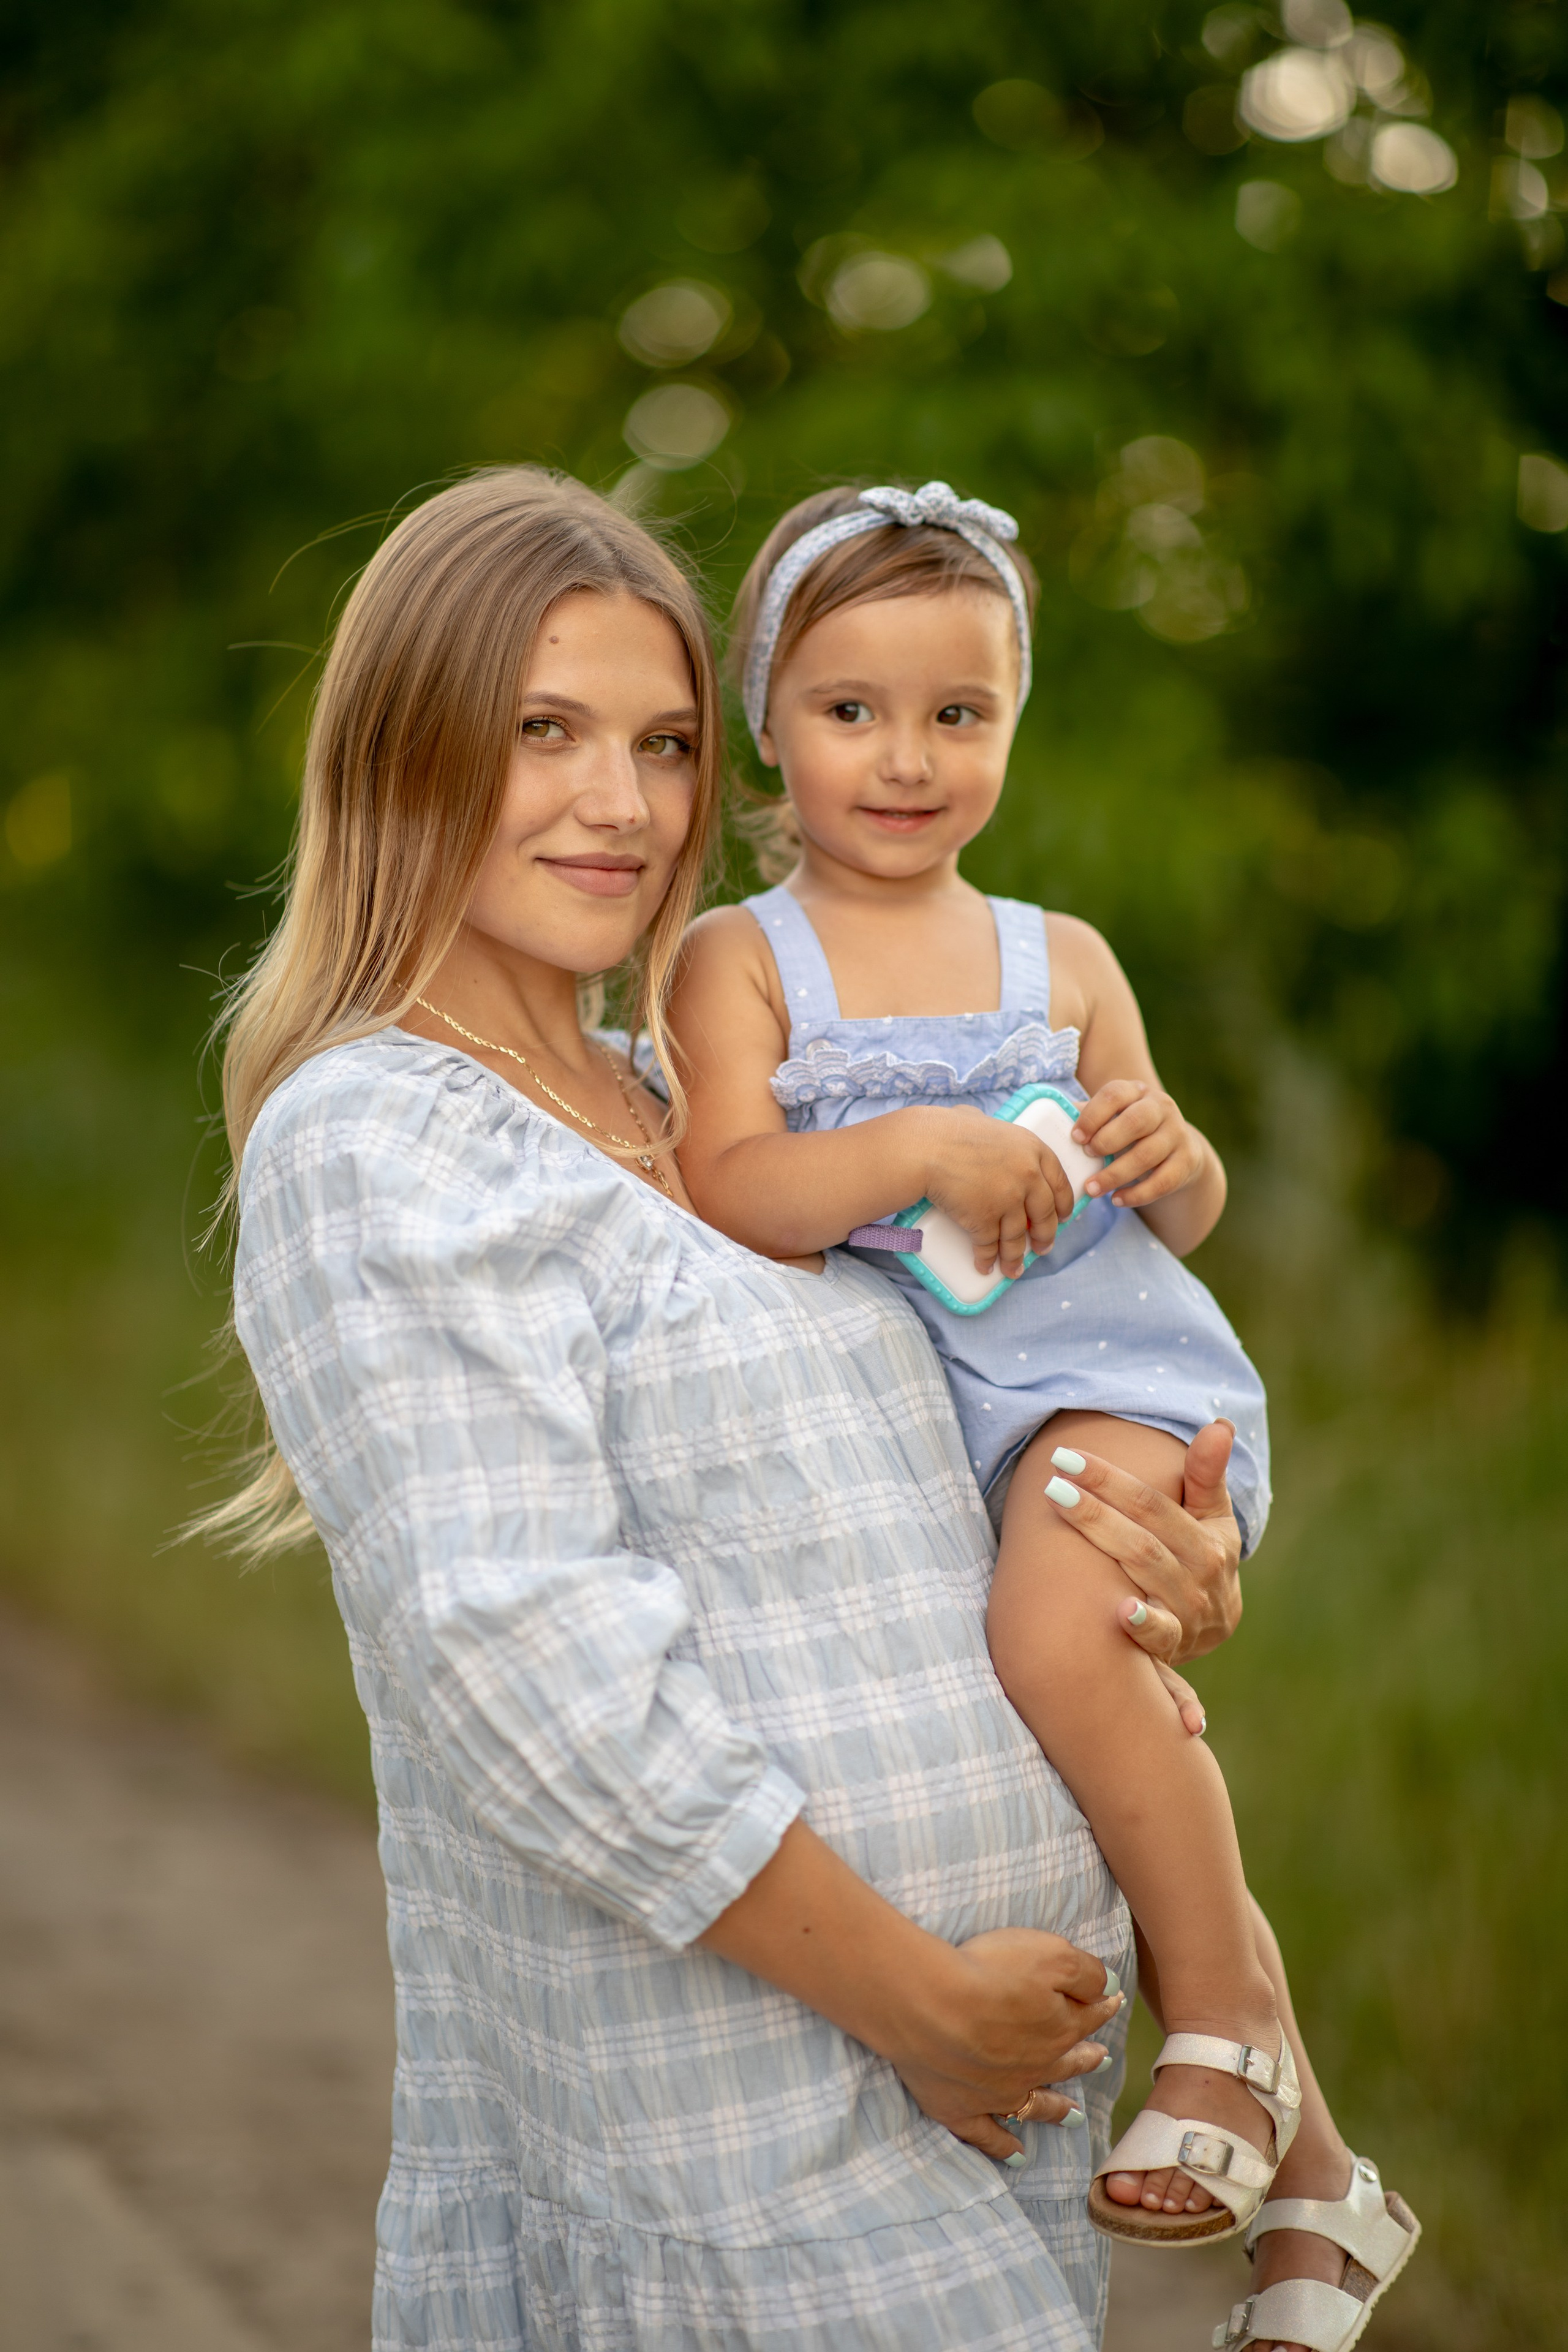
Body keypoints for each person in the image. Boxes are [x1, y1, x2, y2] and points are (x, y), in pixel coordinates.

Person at [206, 466, 1257, 2352]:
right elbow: (529, 1671)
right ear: (399, 751)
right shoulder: (382, 1136)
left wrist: (1135, 1560)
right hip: (730, 2140)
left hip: (992, 2116)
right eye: (544, 731)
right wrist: (918, 2002)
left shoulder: (697, 1106)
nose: (621, 804)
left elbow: (926, 1483)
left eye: (664, 743)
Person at [669, 482, 1419, 2352]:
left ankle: (1225, 2040)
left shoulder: (1059, 956)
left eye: (961, 713)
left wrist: (1178, 1154)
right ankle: (1325, 2187)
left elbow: (1177, 1207)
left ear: (1015, 719)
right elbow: (727, 1184)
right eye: (852, 710)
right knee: (1096, 1738)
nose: (907, 759)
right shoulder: (742, 959)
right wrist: (913, 1147)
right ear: (767, 722)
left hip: (1109, 1375)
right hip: (953, 1423)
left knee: (1061, 1648)